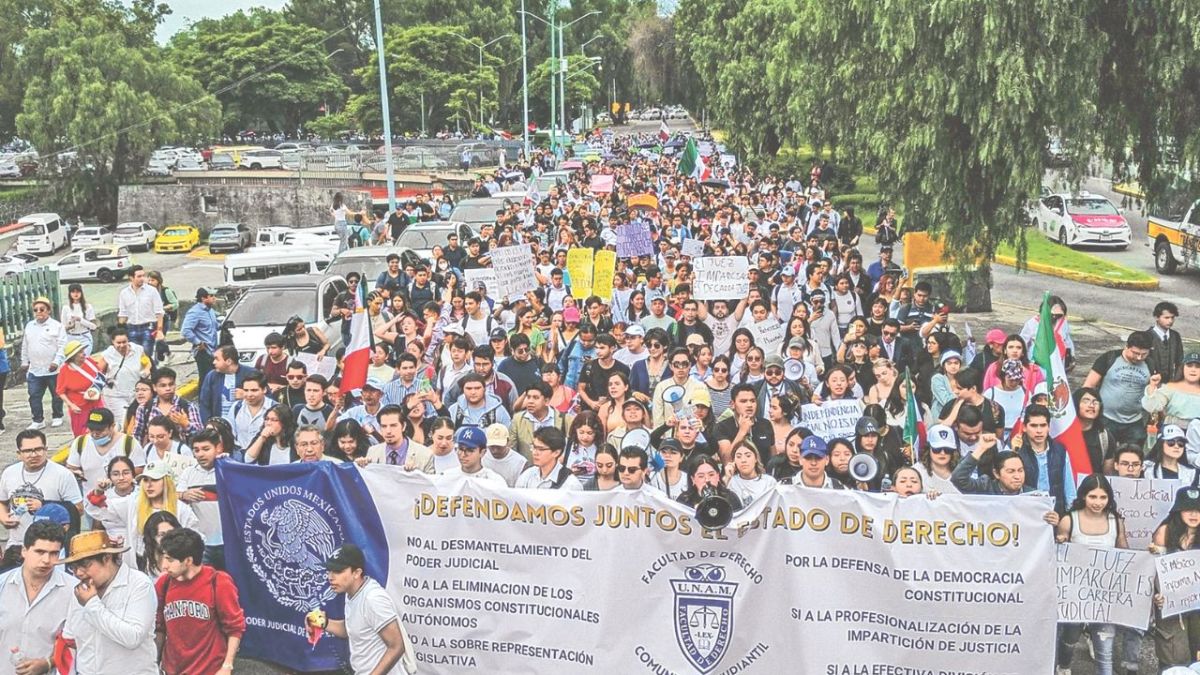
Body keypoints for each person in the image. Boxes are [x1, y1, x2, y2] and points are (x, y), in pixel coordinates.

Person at [1054, 474, 1127, 675]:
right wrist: (1060, 540)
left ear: (1109, 498)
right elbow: (1060, 556)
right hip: (1074, 594)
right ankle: (1064, 667)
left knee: (1105, 650)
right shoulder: (1069, 520)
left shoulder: (1116, 521)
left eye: (1103, 497)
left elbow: (1125, 554)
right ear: (1083, 496)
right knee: (1070, 638)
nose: (1097, 502)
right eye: (1092, 497)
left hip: (1105, 594)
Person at [59, 530, 158, 674]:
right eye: (73, 567)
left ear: (106, 558)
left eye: (85, 565)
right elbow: (70, 639)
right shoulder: (81, 591)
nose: (78, 573)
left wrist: (92, 604)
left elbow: (133, 638)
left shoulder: (139, 584)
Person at [308, 544, 415, 675]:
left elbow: (397, 646)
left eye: (338, 571)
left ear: (357, 573)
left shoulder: (373, 599)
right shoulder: (351, 593)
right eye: (329, 570)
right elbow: (353, 628)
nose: (330, 577)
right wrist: (324, 622)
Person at [155, 528, 245, 675]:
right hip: (172, 669)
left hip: (209, 670)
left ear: (188, 561)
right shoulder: (164, 583)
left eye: (170, 560)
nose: (165, 565)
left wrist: (227, 666)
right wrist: (155, 662)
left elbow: (235, 628)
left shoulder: (218, 582)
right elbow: (159, 627)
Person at [83, 463, 197, 571]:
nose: (149, 485)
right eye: (146, 480)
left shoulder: (182, 509)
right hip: (139, 564)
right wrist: (98, 491)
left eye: (155, 480)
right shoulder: (133, 503)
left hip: (172, 566)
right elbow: (100, 509)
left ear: (167, 481)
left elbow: (194, 541)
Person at [1, 430, 85, 571]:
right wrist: (3, 518)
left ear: (46, 449)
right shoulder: (9, 473)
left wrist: (45, 506)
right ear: (19, 453)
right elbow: (2, 501)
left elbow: (78, 509)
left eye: (38, 449)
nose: (34, 454)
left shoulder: (62, 475)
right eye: (28, 451)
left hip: (51, 549)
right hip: (16, 546)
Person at [0, 520, 72, 675]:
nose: (46, 560)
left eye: (54, 553)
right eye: (40, 552)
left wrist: (48, 663)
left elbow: (79, 643)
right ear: (24, 551)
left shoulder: (73, 591)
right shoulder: (2, 585)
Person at [1151, 487, 1200, 667]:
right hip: (1170, 602)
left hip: (1197, 603)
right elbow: (1155, 569)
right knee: (1172, 654)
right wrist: (1157, 594)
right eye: (1188, 509)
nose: (1194, 514)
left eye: (1198, 509)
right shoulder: (1165, 531)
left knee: (1198, 651)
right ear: (1178, 510)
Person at [1082, 332, 1153, 447]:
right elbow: (1088, 386)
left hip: (1134, 422)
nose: (1139, 358)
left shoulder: (1151, 364)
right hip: (1106, 418)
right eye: (1135, 353)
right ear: (1127, 347)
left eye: (1143, 354)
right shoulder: (1109, 358)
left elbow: (1154, 392)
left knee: (1132, 456)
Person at [65, 408, 146, 495]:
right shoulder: (80, 442)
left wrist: (116, 478)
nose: (95, 434)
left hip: (122, 502)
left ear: (112, 427)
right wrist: (75, 473)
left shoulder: (129, 443)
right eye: (91, 430)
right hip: (90, 501)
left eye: (100, 430)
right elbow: (71, 467)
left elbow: (139, 471)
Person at [178, 428, 227, 569]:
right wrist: (183, 495)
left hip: (228, 542)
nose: (201, 454)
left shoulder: (228, 470)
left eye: (206, 449)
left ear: (218, 448)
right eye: (196, 450)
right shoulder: (188, 473)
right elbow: (173, 496)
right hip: (201, 542)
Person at [20, 297, 66, 430]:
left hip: (52, 369)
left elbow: (62, 346)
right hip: (35, 369)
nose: (38, 312)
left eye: (42, 309)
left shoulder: (57, 326)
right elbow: (25, 345)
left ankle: (57, 416)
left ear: (48, 310)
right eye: (35, 310)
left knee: (56, 394)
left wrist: (56, 362)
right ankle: (38, 419)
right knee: (34, 395)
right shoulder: (30, 326)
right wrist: (24, 362)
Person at [97, 326, 152, 419]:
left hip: (134, 394)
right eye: (118, 343)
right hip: (115, 395)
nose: (122, 345)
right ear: (113, 342)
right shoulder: (107, 354)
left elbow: (147, 363)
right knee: (122, 421)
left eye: (124, 342)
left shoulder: (138, 349)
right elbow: (98, 373)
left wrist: (147, 370)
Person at [55, 340, 106, 436]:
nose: (84, 354)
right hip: (79, 406)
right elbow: (60, 391)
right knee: (81, 433)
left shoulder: (89, 362)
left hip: (96, 401)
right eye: (80, 352)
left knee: (101, 428)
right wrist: (71, 405)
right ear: (73, 356)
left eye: (83, 351)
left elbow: (100, 375)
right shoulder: (64, 371)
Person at [116, 266, 165, 362]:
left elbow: (159, 312)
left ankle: (149, 372)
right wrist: (119, 331)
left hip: (148, 327)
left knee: (146, 354)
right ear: (131, 278)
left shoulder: (151, 291)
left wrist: (159, 330)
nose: (142, 278)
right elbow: (123, 313)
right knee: (134, 356)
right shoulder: (124, 293)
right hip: (131, 328)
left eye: (143, 276)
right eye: (139, 276)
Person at [363, 406, 434, 472]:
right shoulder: (373, 452)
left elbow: (429, 484)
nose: (388, 431)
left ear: (403, 426)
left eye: (393, 426)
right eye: (384, 426)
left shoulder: (425, 454)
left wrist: (415, 475)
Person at [198, 346, 254, 422]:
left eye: (217, 359)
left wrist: (246, 395)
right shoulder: (212, 376)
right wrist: (208, 424)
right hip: (220, 425)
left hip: (245, 424)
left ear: (228, 361)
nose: (213, 362)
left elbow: (267, 400)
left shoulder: (251, 374)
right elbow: (204, 404)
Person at [515, 428, 583, 490]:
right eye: (534, 447)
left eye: (541, 449)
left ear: (556, 452)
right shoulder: (527, 475)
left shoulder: (571, 484)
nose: (535, 453)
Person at [677, 456, 744, 512]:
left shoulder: (730, 498)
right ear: (693, 479)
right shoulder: (684, 500)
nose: (707, 479)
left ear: (718, 476)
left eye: (711, 475)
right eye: (701, 476)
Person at [182, 287, 221, 383]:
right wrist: (198, 342)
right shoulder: (195, 312)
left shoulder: (210, 311)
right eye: (211, 296)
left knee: (214, 379)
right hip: (203, 350)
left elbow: (215, 326)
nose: (214, 298)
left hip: (213, 350)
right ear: (203, 298)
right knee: (205, 380)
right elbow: (186, 330)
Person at [914, 424, 961, 494]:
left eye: (947, 449)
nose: (942, 453)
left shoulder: (963, 471)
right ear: (928, 448)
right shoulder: (916, 471)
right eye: (937, 449)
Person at [1144, 300, 1183, 382]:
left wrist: (1176, 381)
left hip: (1170, 383)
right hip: (1151, 382)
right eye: (1166, 318)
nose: (1170, 321)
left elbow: (1180, 361)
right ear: (1156, 317)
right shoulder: (1147, 336)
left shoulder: (1175, 336)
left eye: (1172, 317)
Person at [60, 283, 97, 354]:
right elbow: (62, 327)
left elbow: (93, 326)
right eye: (73, 292)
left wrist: (80, 320)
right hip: (71, 337)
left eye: (78, 292)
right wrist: (70, 326)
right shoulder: (66, 308)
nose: (75, 294)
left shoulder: (88, 307)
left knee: (84, 359)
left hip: (84, 336)